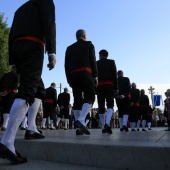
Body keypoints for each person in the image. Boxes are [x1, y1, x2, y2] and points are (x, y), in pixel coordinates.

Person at [0, 0, 56, 164]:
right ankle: (7, 142)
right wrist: (51, 52)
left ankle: (31, 127)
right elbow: (49, 24)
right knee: (27, 91)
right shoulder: (46, 2)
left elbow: (11, 34)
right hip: (33, 45)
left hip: (18, 48)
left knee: (38, 88)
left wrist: (14, 60)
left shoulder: (20, 8)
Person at [65, 29, 98, 135]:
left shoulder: (69, 48)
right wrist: (96, 76)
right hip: (86, 74)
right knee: (90, 97)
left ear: (76, 37)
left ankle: (78, 129)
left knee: (77, 100)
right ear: (84, 36)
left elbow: (66, 65)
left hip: (73, 76)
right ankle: (81, 120)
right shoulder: (89, 44)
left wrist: (69, 80)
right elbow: (92, 60)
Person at [96, 49, 118, 134]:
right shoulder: (112, 62)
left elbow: (94, 76)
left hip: (99, 86)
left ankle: (103, 126)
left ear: (100, 55)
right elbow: (114, 75)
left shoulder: (96, 63)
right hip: (109, 86)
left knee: (101, 105)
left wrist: (95, 88)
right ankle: (107, 123)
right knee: (110, 105)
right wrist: (116, 87)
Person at [0, 66, 19, 131]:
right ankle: (5, 125)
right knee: (8, 109)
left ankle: (3, 124)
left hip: (3, 93)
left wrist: (1, 91)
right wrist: (7, 91)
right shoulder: (15, 76)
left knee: (4, 109)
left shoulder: (5, 75)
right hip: (11, 94)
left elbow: (1, 83)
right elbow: (13, 85)